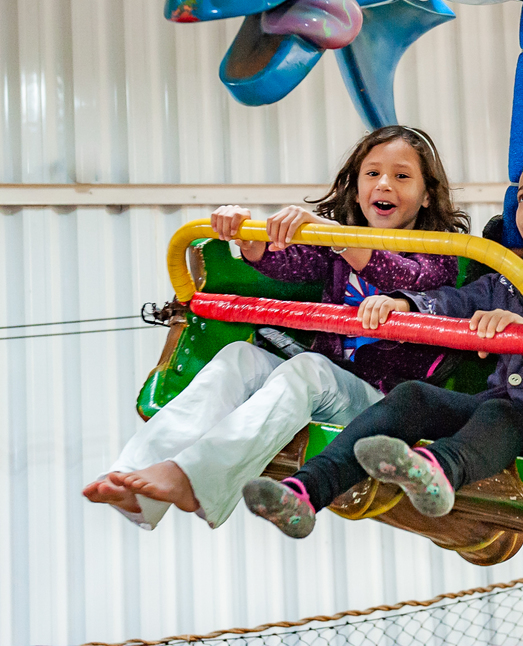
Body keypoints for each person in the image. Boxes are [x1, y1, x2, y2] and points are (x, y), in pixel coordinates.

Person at [83, 125, 470, 530]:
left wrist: (334, 236)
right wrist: (252, 242)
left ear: (427, 196)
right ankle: (135, 478)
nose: (384, 184)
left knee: (309, 370)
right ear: (356, 190)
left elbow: (397, 270)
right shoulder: (337, 248)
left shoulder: (438, 253)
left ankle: (195, 478)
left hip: (381, 405)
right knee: (240, 357)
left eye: (402, 176)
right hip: (332, 384)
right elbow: (289, 265)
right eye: (372, 174)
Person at [243, 150, 523, 537]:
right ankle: (307, 491)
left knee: (500, 415)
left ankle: (437, 471)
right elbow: (457, 301)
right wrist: (404, 303)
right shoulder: (511, 274)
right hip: (498, 403)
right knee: (414, 396)